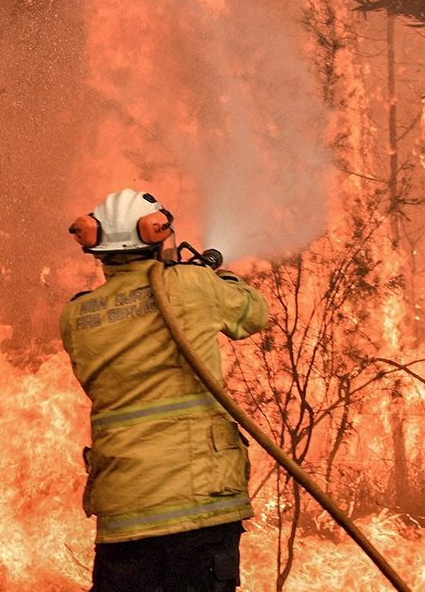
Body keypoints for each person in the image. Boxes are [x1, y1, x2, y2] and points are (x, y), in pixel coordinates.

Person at [60, 188, 269, 592]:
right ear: (157, 237)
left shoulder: (75, 315)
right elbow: (253, 313)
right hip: (200, 506)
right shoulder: (192, 285)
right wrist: (215, 276)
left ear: (98, 247)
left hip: (125, 515)